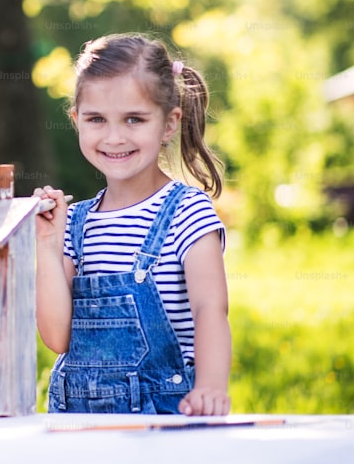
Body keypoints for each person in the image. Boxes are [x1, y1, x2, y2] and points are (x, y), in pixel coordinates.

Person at [34, 33, 230, 416]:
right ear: (76, 121)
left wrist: (210, 386)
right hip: (81, 428)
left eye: (134, 119)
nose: (114, 137)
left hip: (164, 423)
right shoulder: (75, 223)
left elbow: (211, 308)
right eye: (96, 119)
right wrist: (47, 244)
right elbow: (57, 337)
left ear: (169, 124)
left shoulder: (187, 212)